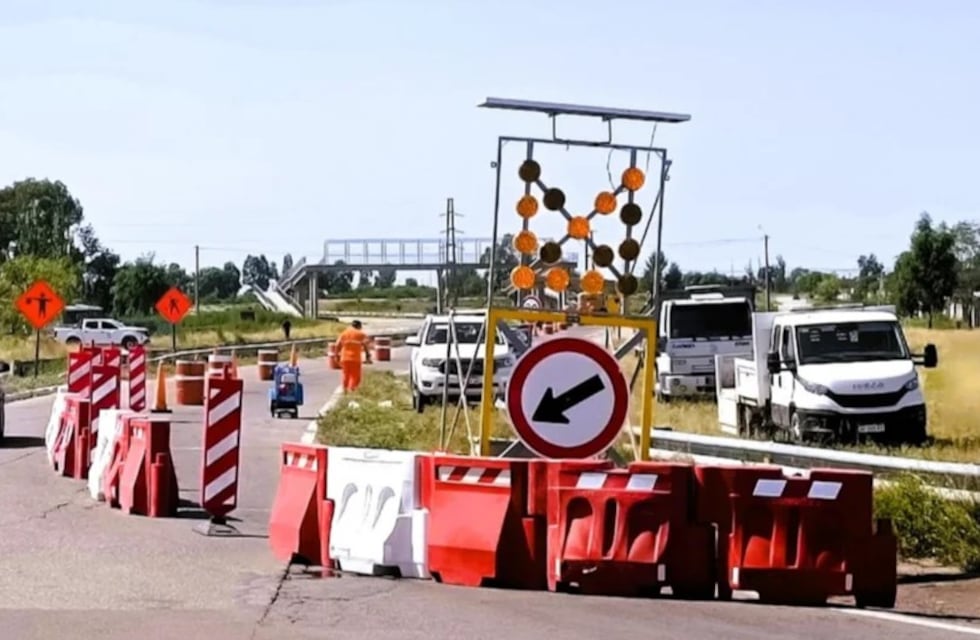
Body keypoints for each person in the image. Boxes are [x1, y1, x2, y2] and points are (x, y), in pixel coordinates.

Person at [334, 319, 371, 392]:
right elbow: (366, 345)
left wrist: (336, 356)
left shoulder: (344, 333)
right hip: (355, 359)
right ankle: (352, 391)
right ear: (359, 326)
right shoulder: (361, 334)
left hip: (344, 358)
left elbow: (337, 344)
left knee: (346, 376)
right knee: (355, 377)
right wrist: (368, 355)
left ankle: (345, 391)